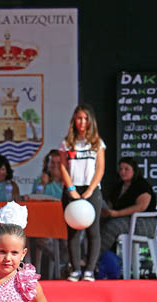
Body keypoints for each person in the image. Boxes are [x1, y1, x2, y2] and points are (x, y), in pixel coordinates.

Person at [59, 104, 106, 282]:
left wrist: (90, 190)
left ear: (91, 121)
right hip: (72, 189)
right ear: (74, 120)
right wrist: (71, 189)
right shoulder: (66, 143)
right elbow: (63, 167)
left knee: (93, 232)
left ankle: (89, 270)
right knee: (73, 232)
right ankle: (75, 270)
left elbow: (100, 169)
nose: (82, 122)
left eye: (86, 119)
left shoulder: (97, 143)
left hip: (91, 190)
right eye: (79, 118)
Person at [99, 157, 157, 254]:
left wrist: (116, 214)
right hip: (125, 221)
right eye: (121, 169)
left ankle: (92, 259)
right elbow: (111, 203)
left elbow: (141, 207)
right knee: (97, 224)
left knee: (112, 226)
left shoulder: (142, 185)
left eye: (126, 169)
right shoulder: (119, 186)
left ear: (134, 170)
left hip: (144, 223)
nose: (123, 172)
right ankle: (95, 260)